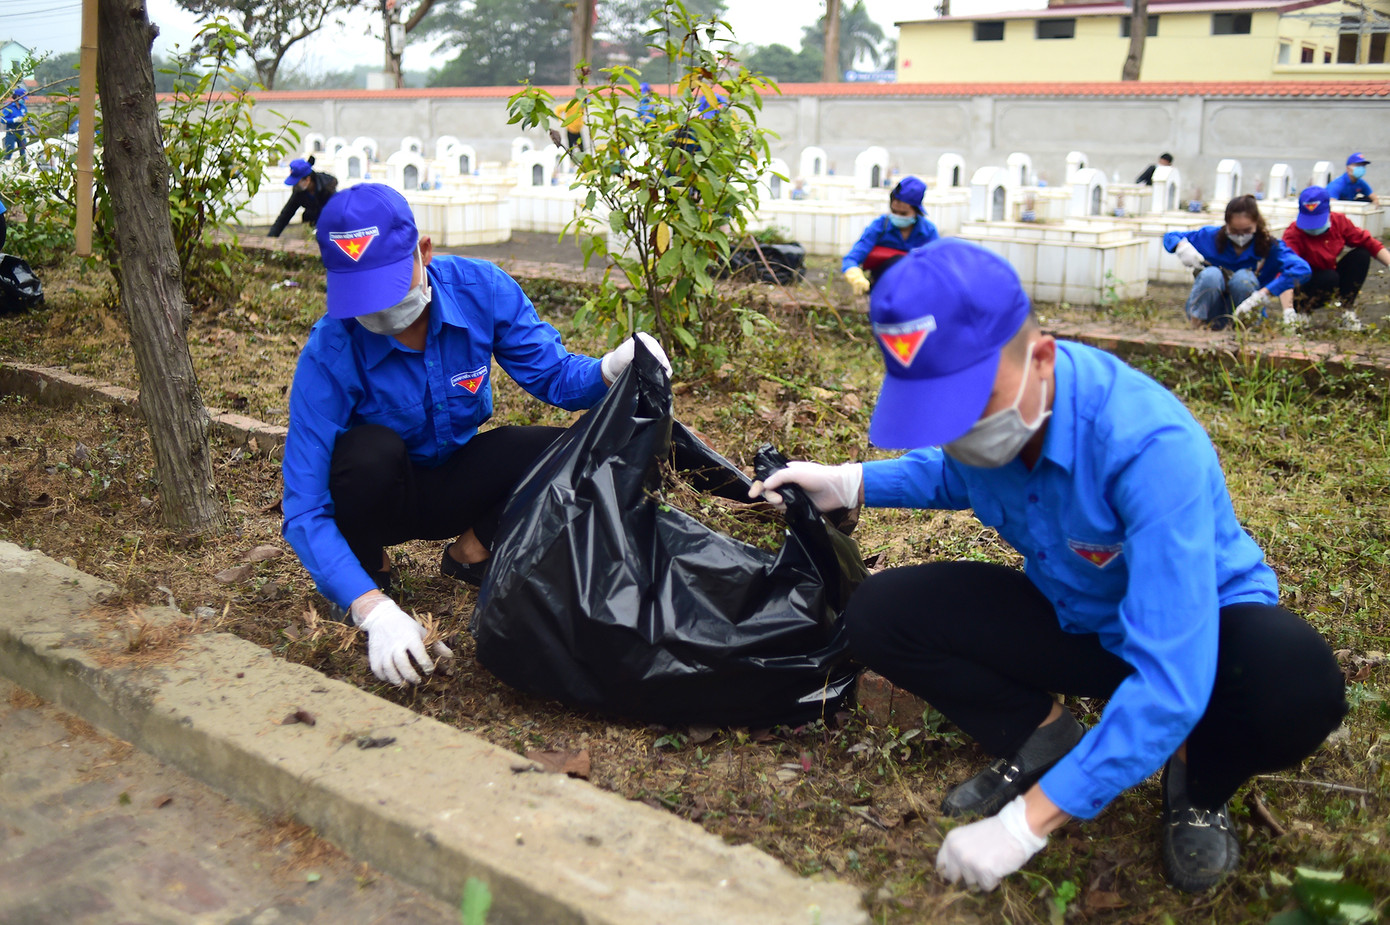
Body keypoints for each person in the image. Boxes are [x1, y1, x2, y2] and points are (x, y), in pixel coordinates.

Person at [750, 238, 1346, 895]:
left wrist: (1024, 824)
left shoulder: (1149, 447)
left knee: (1292, 681)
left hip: (1199, 634)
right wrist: (848, 481)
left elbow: (1173, 672)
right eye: (942, 414)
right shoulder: (998, 423)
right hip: (1080, 617)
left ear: (1041, 357)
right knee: (880, 614)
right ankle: (1044, 735)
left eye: (972, 405)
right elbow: (953, 473)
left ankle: (1197, 776)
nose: (961, 432)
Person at [281, 183, 671, 686]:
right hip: (378, 499)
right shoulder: (330, 351)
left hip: (453, 480)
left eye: (389, 288)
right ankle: (369, 569)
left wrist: (609, 369)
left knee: (560, 449)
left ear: (424, 252)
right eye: (362, 297)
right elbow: (304, 506)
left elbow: (552, 375)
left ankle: (470, 553)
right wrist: (370, 607)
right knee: (367, 453)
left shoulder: (481, 289)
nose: (378, 311)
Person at [1162, 195, 1309, 329]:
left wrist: (1264, 294)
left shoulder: (1270, 247)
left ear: (1256, 223)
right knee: (1211, 274)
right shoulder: (1210, 237)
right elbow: (1171, 236)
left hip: (1247, 311)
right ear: (1226, 224)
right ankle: (1196, 325)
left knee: (1243, 279)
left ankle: (1246, 328)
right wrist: (1180, 246)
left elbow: (1301, 269)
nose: (1240, 236)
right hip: (1211, 309)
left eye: (1246, 231)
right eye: (1234, 230)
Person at [1282, 186, 1390, 332]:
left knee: (1361, 255)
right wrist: (1288, 310)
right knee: (1328, 276)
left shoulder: (1339, 222)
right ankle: (1302, 312)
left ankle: (1346, 311)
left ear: (1328, 211)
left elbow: (1369, 243)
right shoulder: (1293, 234)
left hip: (1330, 278)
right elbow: (1285, 271)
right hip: (1304, 286)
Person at [841, 176, 938, 296]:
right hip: (882, 286)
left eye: (903, 213)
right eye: (894, 212)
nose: (898, 216)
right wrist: (855, 275)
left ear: (917, 211)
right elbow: (852, 257)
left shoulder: (928, 231)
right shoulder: (880, 226)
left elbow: (937, 263)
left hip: (915, 288)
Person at [268, 157, 338, 238]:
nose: (295, 185)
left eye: (297, 182)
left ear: (307, 179)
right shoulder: (299, 192)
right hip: (312, 226)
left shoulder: (327, 189)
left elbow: (336, 213)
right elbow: (286, 214)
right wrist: (271, 237)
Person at [2, 87, 28, 163]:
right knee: (9, 150)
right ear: (17, 96)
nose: (23, 100)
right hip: (11, 131)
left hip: (21, 130)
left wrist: (26, 119)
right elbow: (2, 120)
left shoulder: (23, 107)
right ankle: (4, 165)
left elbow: (27, 117)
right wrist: (14, 120)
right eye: (22, 98)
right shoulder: (9, 106)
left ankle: (24, 167)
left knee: (23, 150)